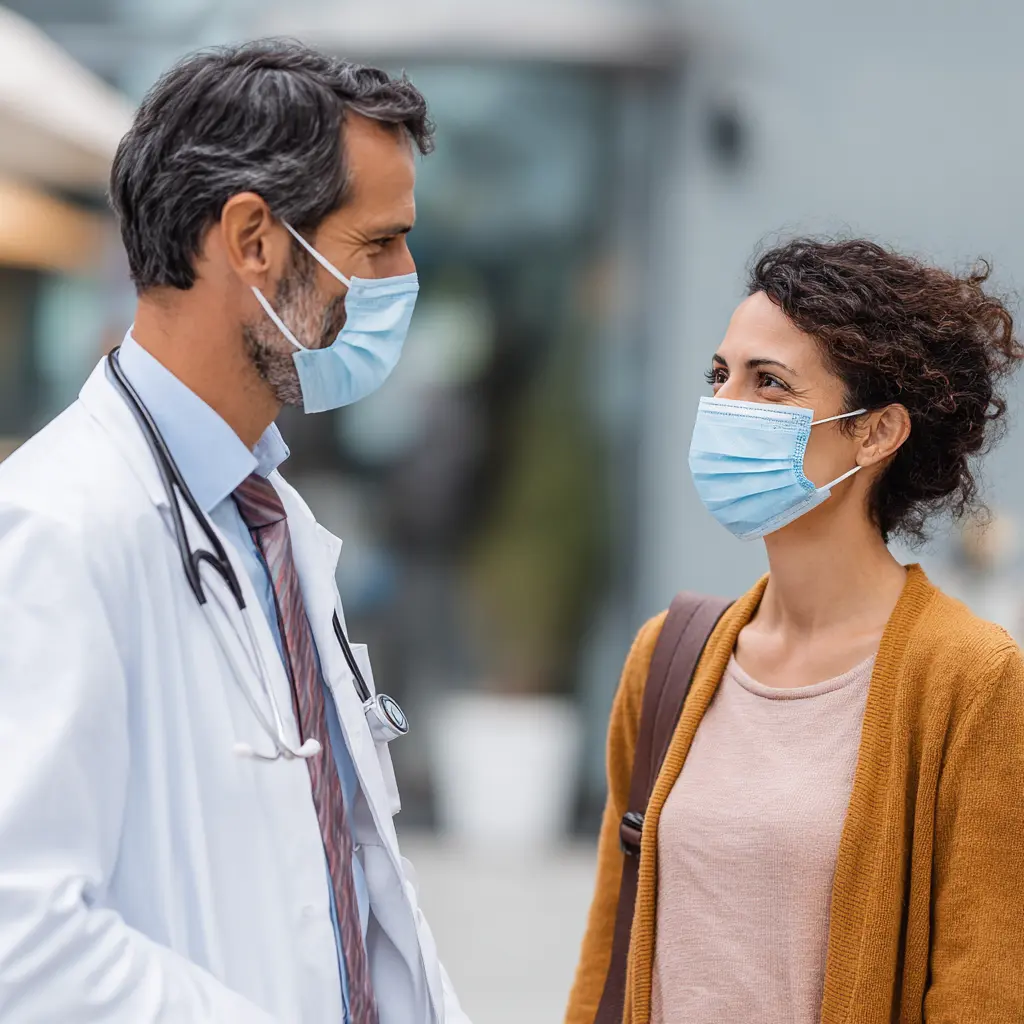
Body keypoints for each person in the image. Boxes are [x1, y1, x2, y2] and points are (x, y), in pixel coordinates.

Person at [0, 40, 470, 1024]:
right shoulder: (58, 526)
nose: (403, 278)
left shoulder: (271, 518)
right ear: (254, 238)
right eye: (376, 244)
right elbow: (21, 938)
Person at [566, 238, 1024, 1024]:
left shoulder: (974, 681)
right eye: (720, 376)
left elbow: (986, 991)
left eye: (769, 383)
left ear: (877, 433)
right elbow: (610, 954)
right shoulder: (668, 656)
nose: (725, 406)